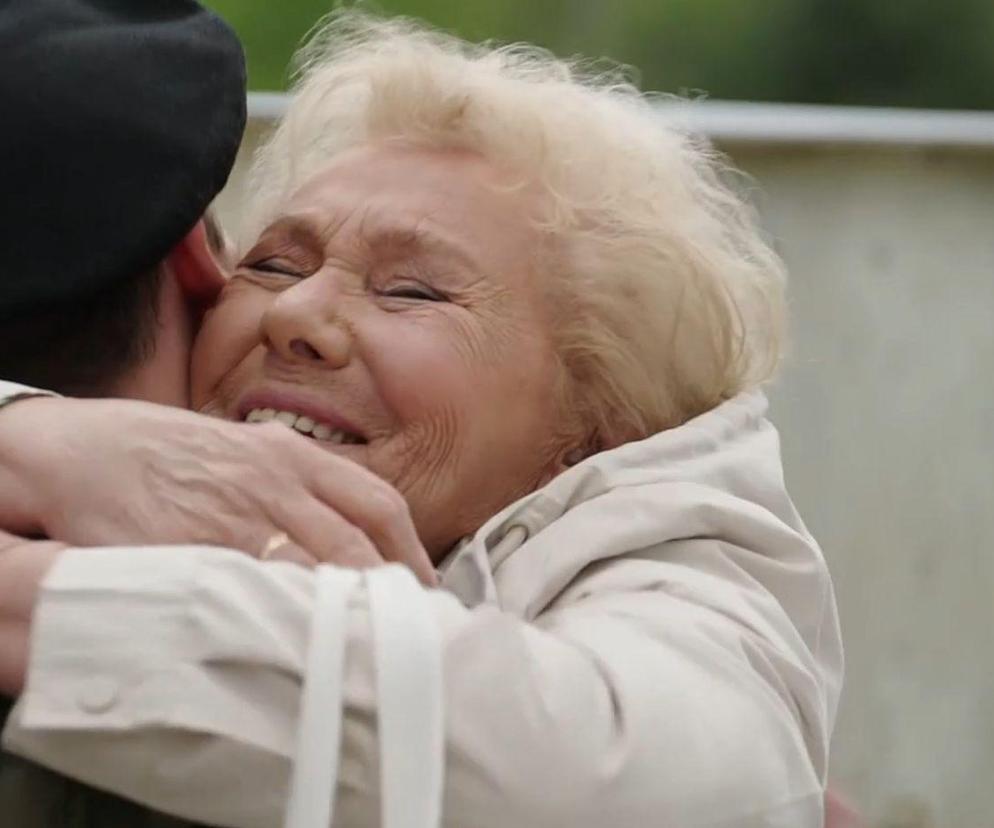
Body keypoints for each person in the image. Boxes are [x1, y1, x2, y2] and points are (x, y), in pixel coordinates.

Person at [0, 9, 844, 828]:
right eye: (273, 263)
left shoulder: (695, 565)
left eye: (412, 290)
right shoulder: (89, 476)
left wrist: (35, 606)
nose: (297, 314)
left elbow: (613, 783)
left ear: (598, 419)